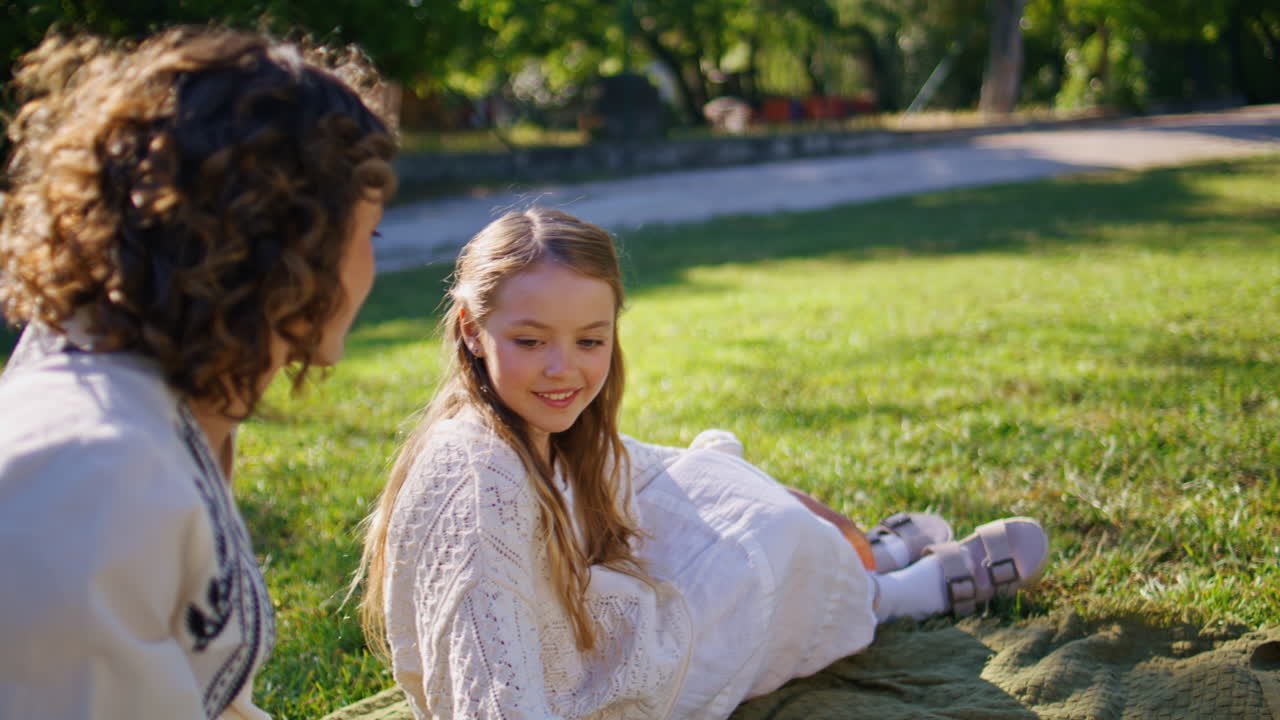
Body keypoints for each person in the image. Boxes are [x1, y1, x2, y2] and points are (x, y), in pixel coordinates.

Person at [355, 208, 1049, 720]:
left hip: (579, 603)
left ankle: (869, 554)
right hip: (589, 686)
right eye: (531, 340)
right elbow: (495, 699)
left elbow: (633, 469)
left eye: (591, 339)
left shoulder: (531, 420)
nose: (564, 369)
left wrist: (764, 489)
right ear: (474, 331)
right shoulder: (478, 486)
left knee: (721, 487)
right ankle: (895, 592)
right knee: (763, 546)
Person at [0, 26, 396, 719]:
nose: (373, 264)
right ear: (291, 245)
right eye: (370, 233)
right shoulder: (92, 474)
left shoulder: (147, 401)